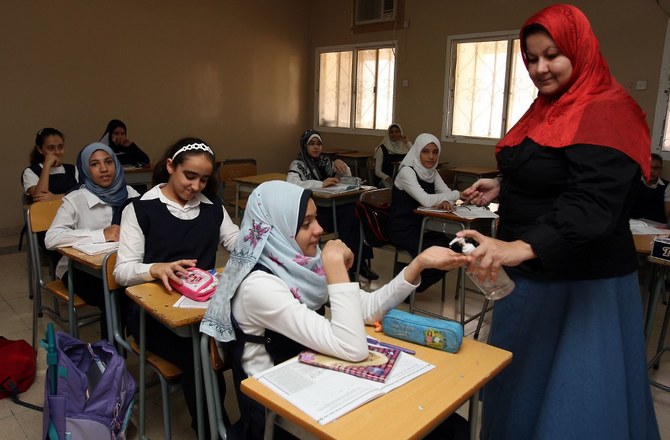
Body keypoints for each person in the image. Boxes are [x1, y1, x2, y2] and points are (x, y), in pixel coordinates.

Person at [460, 5, 660, 439]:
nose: (540, 68)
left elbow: (593, 201)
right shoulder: (549, 106)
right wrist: (503, 185)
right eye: (532, 58)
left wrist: (519, 247)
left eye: (552, 55)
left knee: (573, 403)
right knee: (520, 390)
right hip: (533, 277)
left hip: (581, 283)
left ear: (579, 50)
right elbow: (553, 169)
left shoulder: (609, 109)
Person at [200, 180, 471, 440]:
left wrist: (418, 265)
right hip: (276, 417)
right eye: (306, 224)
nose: (319, 229)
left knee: (443, 424)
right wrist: (335, 267)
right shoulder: (258, 286)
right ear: (276, 230)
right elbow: (352, 348)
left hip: (313, 384)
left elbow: (368, 310)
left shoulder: (299, 265)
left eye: (316, 219)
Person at [114, 137, 239, 437]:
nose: (196, 186)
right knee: (198, 355)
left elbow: (235, 241)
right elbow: (122, 271)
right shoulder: (140, 209)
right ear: (171, 166)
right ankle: (213, 430)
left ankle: (250, 422)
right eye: (189, 176)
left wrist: (261, 241)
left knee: (248, 340)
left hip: (203, 308)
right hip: (154, 315)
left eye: (204, 180)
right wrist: (155, 268)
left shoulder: (213, 207)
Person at [45, 142, 139, 339]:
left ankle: (137, 343)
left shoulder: (130, 193)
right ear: (86, 169)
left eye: (108, 162)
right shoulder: (76, 199)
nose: (104, 169)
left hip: (119, 265)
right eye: (95, 164)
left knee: (138, 292)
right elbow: (51, 238)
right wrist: (100, 234)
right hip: (77, 270)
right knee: (114, 297)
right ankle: (111, 352)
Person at [287, 129, 378, 280]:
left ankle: (357, 262)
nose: (316, 147)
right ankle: (354, 265)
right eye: (311, 144)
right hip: (314, 215)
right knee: (350, 217)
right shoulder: (298, 164)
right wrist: (321, 184)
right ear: (304, 146)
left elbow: (347, 177)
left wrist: (342, 165)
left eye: (319, 144)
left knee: (356, 213)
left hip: (331, 209)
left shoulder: (326, 162)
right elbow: (291, 183)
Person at [388, 133, 461, 292]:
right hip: (403, 229)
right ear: (417, 151)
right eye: (425, 151)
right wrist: (457, 194)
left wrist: (447, 200)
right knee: (437, 254)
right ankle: (406, 287)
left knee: (456, 249)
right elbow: (426, 200)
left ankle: (411, 284)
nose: (431, 157)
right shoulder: (407, 172)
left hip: (424, 228)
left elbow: (447, 194)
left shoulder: (432, 172)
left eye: (435, 152)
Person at [22, 127, 79, 202]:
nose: (57, 152)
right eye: (51, 148)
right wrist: (47, 165)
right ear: (40, 149)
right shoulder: (30, 172)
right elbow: (39, 199)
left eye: (60, 147)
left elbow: (84, 195)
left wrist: (56, 197)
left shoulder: (73, 170)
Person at [630, 153, 669, 224]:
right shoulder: (634, 182)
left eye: (656, 168)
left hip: (657, 225)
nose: (651, 171)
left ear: (660, 169)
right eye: (648, 167)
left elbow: (668, 213)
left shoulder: (667, 186)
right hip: (634, 223)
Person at [374, 123, 412, 188]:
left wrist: (407, 142)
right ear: (388, 134)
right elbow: (377, 171)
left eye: (397, 132)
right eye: (391, 132)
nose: (394, 134)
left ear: (400, 133)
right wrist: (387, 178)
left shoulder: (404, 147)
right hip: (385, 179)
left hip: (400, 180)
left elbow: (414, 155)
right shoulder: (382, 148)